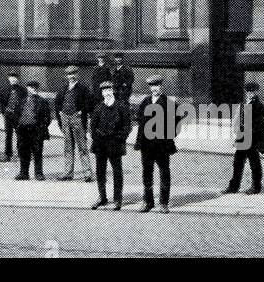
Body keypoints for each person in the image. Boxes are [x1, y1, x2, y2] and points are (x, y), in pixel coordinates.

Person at [133, 75, 181, 212]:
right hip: (147, 145)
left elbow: (177, 120)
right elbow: (140, 121)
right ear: (150, 87)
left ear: (161, 86)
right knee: (147, 173)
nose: (155, 89)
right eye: (152, 86)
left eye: (157, 86)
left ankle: (164, 203)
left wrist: (170, 135)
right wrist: (139, 141)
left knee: (164, 172)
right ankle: (148, 202)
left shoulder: (168, 103)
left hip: (162, 145)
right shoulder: (145, 102)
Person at [89, 81, 130, 210]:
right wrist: (97, 137)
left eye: (108, 90)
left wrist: (119, 138)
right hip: (100, 145)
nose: (106, 93)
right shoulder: (98, 108)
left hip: (115, 145)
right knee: (100, 172)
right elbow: (92, 126)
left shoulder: (121, 106)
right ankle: (102, 197)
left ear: (112, 91)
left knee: (117, 172)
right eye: (104, 91)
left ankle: (117, 199)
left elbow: (127, 126)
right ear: (101, 93)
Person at [225, 82, 264, 195]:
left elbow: (262, 126)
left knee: (254, 163)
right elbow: (237, 121)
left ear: (256, 92)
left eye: (252, 91)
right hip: (242, 138)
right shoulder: (243, 105)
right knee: (237, 163)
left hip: (253, 139)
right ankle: (234, 187)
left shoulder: (261, 107)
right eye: (248, 91)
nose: (250, 93)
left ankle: (256, 187)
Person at [55, 65, 93, 182]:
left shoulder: (83, 88)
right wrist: (60, 113)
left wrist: (82, 112)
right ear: (67, 76)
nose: (71, 76)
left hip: (77, 119)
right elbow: (57, 103)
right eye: (69, 74)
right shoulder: (63, 88)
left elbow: (89, 103)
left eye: (73, 74)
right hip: (65, 119)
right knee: (68, 147)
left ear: (77, 74)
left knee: (82, 146)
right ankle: (68, 173)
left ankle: (87, 173)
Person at [14, 80, 52, 181]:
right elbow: (16, 114)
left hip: (36, 130)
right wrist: (18, 126)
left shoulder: (42, 101)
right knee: (23, 151)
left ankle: (38, 173)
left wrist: (42, 127)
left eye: (35, 87)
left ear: (37, 88)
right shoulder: (21, 100)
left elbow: (47, 117)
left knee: (37, 151)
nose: (33, 88)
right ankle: (23, 173)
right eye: (31, 87)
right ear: (27, 88)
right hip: (23, 130)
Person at [1, 71, 26, 163]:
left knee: (20, 134)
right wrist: (5, 112)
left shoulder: (23, 90)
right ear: (8, 78)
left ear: (18, 79)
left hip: (18, 115)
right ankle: (7, 154)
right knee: (8, 134)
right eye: (11, 77)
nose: (13, 79)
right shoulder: (4, 89)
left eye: (15, 77)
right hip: (8, 115)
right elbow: (2, 102)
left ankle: (21, 153)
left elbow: (25, 102)